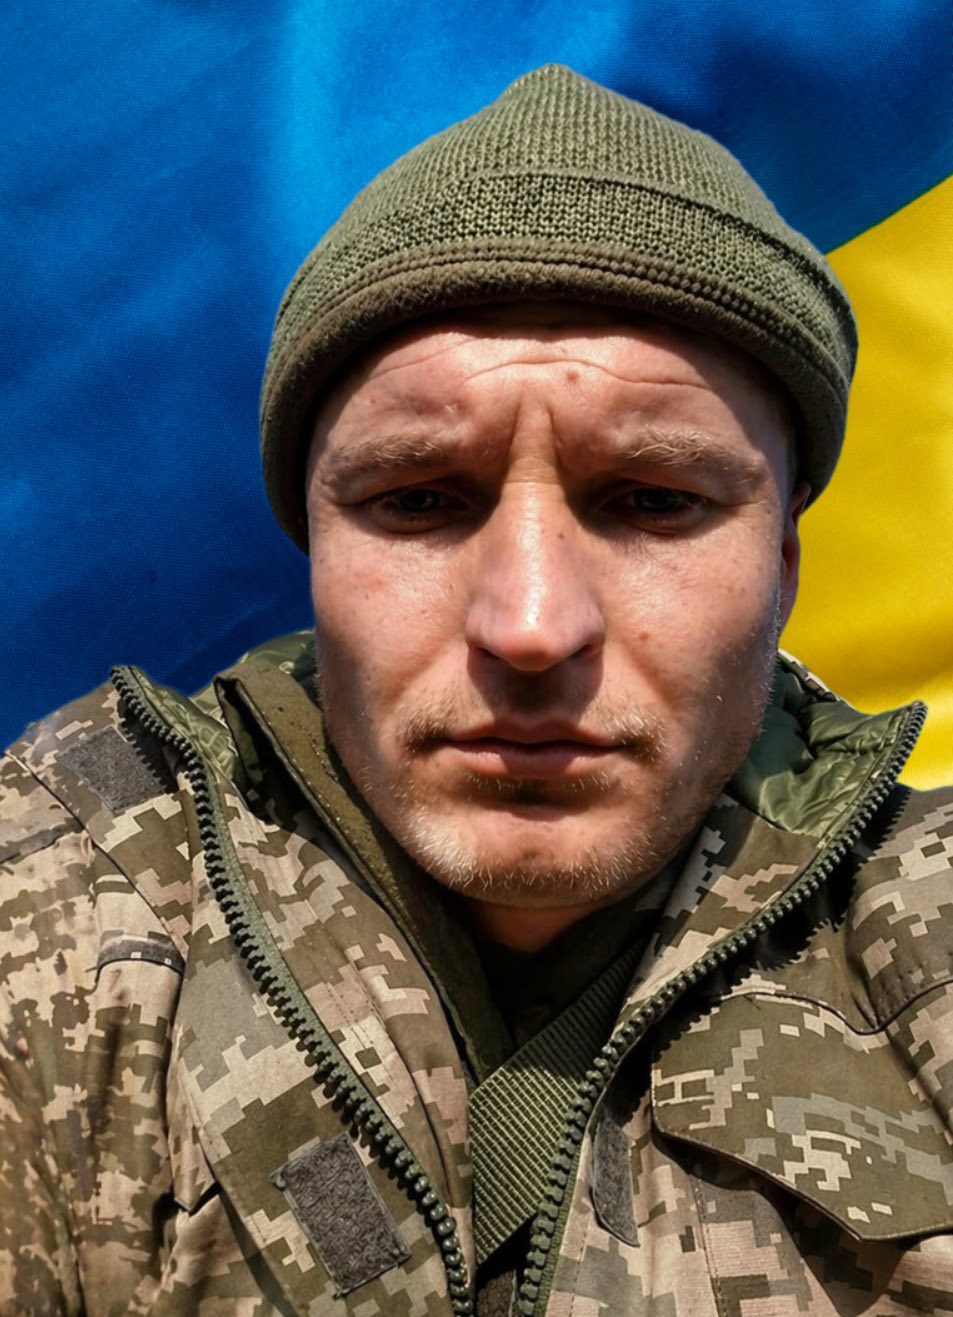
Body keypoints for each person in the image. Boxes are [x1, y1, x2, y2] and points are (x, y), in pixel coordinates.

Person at [1, 61, 951, 1317]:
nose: (531, 624)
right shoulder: (51, 910)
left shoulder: (920, 935)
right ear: (313, 551)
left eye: (653, 503)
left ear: (782, 563)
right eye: (419, 503)